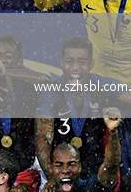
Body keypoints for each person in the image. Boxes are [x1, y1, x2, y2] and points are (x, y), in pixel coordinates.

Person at [36, 37, 118, 177]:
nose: (75, 67)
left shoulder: (103, 85)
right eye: (69, 61)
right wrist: (52, 177)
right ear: (61, 63)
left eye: (82, 62)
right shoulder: (50, 91)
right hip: (62, 169)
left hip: (95, 170)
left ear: (91, 64)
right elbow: (43, 138)